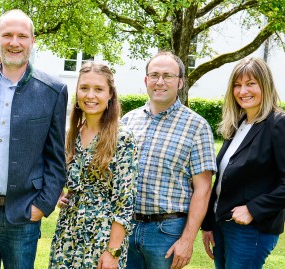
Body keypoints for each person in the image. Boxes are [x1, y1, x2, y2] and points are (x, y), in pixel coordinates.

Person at [0, 9, 68, 269]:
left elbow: (56, 158)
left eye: (22, 36)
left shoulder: (53, 91)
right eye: (8, 35)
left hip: (23, 213)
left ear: (32, 41)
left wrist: (42, 207)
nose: (14, 42)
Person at [121, 51, 217, 269]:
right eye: (154, 75)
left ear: (180, 82)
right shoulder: (128, 121)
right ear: (146, 80)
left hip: (166, 233)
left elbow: (203, 189)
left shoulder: (197, 126)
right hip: (125, 227)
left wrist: (188, 240)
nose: (160, 82)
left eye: (168, 76)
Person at [49, 62, 138, 269]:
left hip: (101, 239)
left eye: (98, 89)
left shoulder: (122, 138)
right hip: (67, 234)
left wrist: (112, 251)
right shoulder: (72, 134)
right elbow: (66, 178)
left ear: (110, 95)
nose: (90, 95)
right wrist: (61, 194)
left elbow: (124, 202)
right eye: (84, 88)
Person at [201, 57, 285, 269]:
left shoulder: (278, 123)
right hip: (223, 225)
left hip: (252, 229)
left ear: (265, 85)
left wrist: (253, 209)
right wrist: (209, 224)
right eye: (237, 85)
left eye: (250, 84)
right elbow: (223, 180)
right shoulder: (238, 125)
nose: (242, 91)